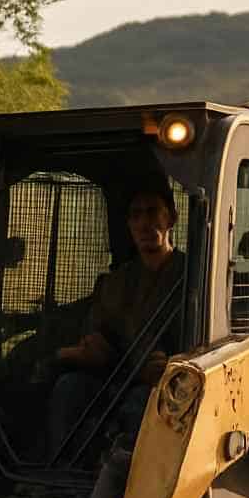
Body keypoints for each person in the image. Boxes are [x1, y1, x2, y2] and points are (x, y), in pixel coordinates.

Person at [46, 178, 187, 458]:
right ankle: (59, 475)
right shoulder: (116, 282)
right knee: (69, 388)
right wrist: (91, 349)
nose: (144, 224)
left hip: (169, 386)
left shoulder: (191, 276)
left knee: (139, 405)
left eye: (152, 212)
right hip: (116, 378)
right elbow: (99, 336)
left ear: (171, 217)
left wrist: (171, 363)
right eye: (135, 215)